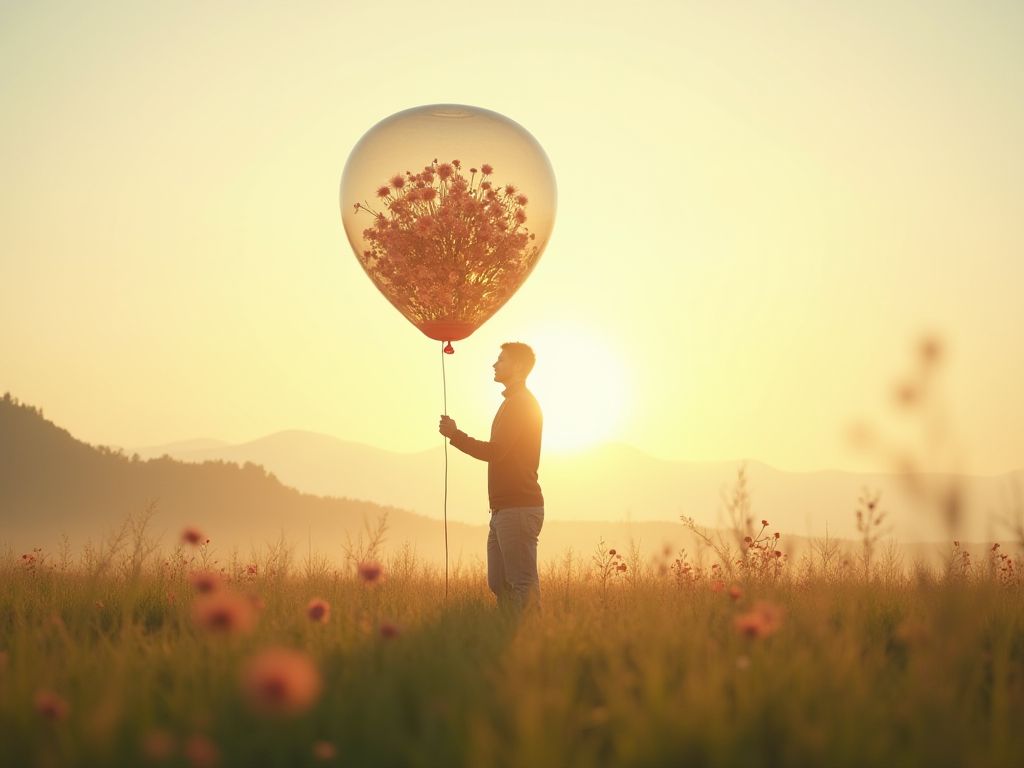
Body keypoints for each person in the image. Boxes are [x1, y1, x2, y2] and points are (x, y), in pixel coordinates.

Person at [439, 342, 544, 611]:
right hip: (502, 510)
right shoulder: (511, 403)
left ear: (518, 367)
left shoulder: (521, 404)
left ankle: (532, 631)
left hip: (518, 508)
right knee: (498, 583)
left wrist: (456, 435)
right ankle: (507, 628)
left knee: (522, 583)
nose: (494, 365)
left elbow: (495, 452)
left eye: (501, 360)